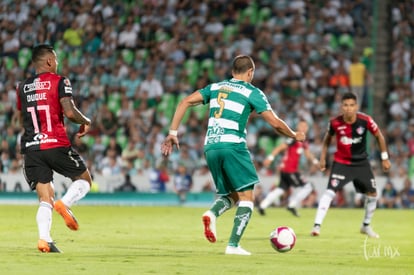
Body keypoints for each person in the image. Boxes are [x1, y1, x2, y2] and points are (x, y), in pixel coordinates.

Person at [161, 55, 305, 255]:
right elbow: (275, 123)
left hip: (211, 147)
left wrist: (172, 133)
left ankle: (211, 214)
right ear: (250, 73)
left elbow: (185, 102)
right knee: (247, 197)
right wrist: (294, 134)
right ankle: (233, 245)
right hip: (232, 146)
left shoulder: (215, 87)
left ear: (232, 72)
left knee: (232, 195)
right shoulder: (252, 91)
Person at [16, 44, 92, 253]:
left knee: (45, 197)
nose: (57, 63)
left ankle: (44, 240)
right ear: (49, 60)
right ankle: (66, 203)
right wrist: (85, 120)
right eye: (56, 59)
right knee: (84, 180)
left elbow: (21, 117)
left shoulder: (22, 86)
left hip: (31, 147)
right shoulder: (60, 81)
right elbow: (69, 111)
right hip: (55, 143)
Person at [310, 92, 391, 238]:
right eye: (345, 105)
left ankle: (365, 226)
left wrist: (384, 157)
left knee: (373, 194)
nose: (348, 108)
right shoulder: (335, 122)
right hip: (342, 163)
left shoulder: (365, 120)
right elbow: (327, 139)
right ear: (341, 107)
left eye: (351, 105)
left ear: (356, 106)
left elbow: (379, 135)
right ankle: (317, 225)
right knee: (330, 191)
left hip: (361, 163)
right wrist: (322, 158)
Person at [258, 120, 318, 217]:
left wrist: (315, 162)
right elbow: (281, 147)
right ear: (298, 127)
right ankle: (292, 205)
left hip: (285, 170)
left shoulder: (302, 140)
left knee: (281, 189)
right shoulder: (294, 137)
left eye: (305, 126)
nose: (304, 128)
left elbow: (307, 154)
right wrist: (270, 157)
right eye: (301, 125)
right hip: (290, 170)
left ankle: (262, 205)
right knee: (308, 186)